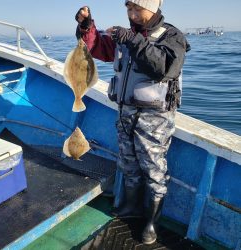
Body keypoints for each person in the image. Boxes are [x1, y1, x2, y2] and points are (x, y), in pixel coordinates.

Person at [75, 0, 190, 245]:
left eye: (138, 9)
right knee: (128, 162)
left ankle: (150, 222)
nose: (133, 14)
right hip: (125, 112)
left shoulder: (171, 35)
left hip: (154, 118)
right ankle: (130, 207)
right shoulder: (125, 35)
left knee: (153, 168)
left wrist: (132, 39)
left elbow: (165, 67)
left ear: (154, 7)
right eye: (129, 9)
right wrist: (87, 27)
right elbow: (99, 48)